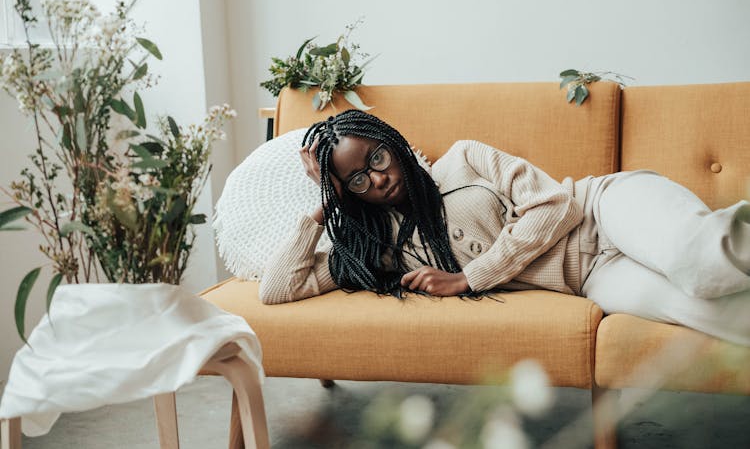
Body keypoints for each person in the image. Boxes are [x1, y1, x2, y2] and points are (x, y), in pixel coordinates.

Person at [260, 109, 750, 346]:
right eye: (360, 179)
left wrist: (469, 277)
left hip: (605, 208)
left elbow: (557, 207)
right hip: (592, 279)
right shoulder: (383, 248)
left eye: (379, 157)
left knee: (698, 260)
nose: (381, 177)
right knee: (714, 314)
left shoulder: (465, 158)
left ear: (394, 141)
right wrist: (326, 203)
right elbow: (279, 288)